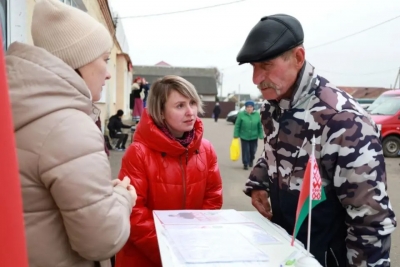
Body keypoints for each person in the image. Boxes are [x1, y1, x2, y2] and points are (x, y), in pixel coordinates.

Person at [237, 14, 396, 267]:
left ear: (298, 58)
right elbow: (272, 150)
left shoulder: (343, 120)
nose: (256, 79)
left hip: (326, 257)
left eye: (265, 65)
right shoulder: (272, 107)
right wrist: (258, 182)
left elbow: (370, 220)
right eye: (253, 67)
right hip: (284, 248)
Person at [6, 0, 137, 266]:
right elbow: (102, 241)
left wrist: (102, 197)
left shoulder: (24, 108)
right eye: (105, 60)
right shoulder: (69, 126)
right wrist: (124, 198)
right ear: (80, 61)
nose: (109, 74)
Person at [115, 75, 223, 267]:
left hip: (190, 253)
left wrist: (192, 245)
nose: (190, 112)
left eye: (192, 103)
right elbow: (134, 212)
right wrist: (170, 252)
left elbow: (213, 199)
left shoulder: (206, 149)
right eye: (180, 106)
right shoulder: (138, 153)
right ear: (161, 111)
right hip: (146, 256)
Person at [233, 100, 263, 170]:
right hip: (244, 136)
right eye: (248, 107)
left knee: (253, 151)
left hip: (254, 136)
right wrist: (236, 134)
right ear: (245, 108)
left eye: (251, 107)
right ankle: (245, 163)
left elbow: (259, 126)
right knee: (245, 150)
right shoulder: (241, 114)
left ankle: (251, 160)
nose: (249, 108)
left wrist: (261, 134)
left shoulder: (257, 115)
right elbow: (237, 125)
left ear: (253, 107)